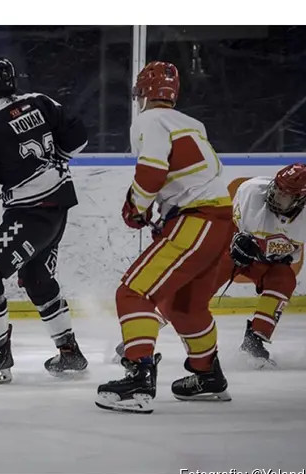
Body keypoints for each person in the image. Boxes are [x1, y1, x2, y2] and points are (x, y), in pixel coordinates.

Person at [96, 61, 234, 414]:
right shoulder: (192, 123)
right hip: (217, 223)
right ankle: (207, 375)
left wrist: (136, 207)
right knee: (184, 307)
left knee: (133, 292)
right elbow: (196, 174)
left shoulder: (148, 120)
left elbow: (153, 171)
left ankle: (139, 378)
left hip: (197, 220)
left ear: (143, 93)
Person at [0, 57, 89, 385]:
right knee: (36, 278)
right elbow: (79, 137)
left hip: (32, 213)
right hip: (59, 206)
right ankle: (69, 352)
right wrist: (53, 163)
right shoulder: (41, 102)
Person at [213, 163, 306, 368]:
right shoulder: (251, 190)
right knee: (197, 287)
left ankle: (254, 341)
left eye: (285, 195)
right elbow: (225, 222)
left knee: (284, 279)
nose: (275, 196)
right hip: (232, 255)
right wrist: (233, 240)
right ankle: (161, 318)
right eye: (276, 189)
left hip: (269, 265)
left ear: (301, 199)